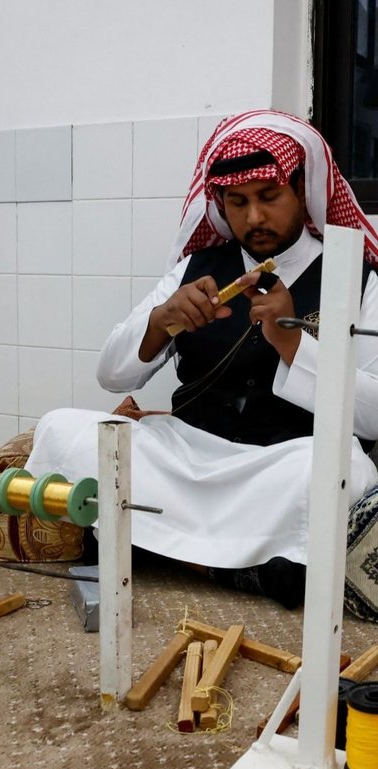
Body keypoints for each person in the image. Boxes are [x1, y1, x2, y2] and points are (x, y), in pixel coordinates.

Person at [25, 109, 378, 609]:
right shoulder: (196, 268)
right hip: (186, 456)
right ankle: (246, 567)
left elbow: (374, 416)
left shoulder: (356, 279)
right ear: (219, 203)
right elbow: (111, 375)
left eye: (269, 198)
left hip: (278, 466)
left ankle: (150, 542)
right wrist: (161, 322)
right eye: (238, 202)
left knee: (345, 468)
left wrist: (294, 345)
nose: (253, 218)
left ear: (303, 190)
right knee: (63, 428)